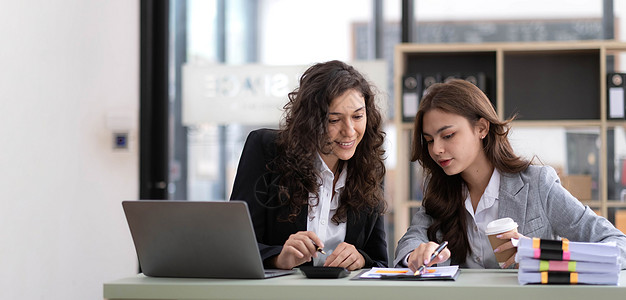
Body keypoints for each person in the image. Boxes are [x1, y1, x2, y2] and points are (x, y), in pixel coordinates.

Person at [394, 79, 626, 271]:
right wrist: (418, 253)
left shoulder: (537, 184)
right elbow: (410, 241)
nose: (436, 149)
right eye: (429, 140)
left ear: (482, 128)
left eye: (448, 135)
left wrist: (540, 253)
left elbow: (618, 246)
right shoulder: (439, 191)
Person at [230, 60, 388, 271]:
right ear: (311, 121)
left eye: (358, 116)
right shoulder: (266, 150)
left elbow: (379, 261)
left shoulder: (370, 168)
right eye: (334, 120)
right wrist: (279, 258)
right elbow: (237, 246)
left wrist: (360, 259)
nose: (349, 131)